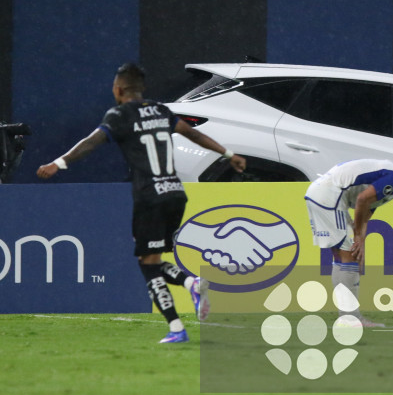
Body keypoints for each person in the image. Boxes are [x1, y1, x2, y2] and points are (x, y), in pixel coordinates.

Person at [37, 63, 247, 343]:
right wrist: (228, 153)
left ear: (119, 89)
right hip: (175, 194)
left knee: (148, 265)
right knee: (151, 259)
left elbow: (91, 142)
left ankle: (176, 327)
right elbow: (193, 134)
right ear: (142, 88)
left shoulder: (120, 114)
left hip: (150, 196)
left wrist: (58, 163)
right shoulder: (160, 110)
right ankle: (190, 284)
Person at [304, 159, 393, 327]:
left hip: (323, 193)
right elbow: (362, 200)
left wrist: (362, 246)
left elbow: (365, 216)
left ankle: (346, 317)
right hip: (330, 195)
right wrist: (358, 236)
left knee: (344, 257)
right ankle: (350, 318)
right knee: (349, 257)